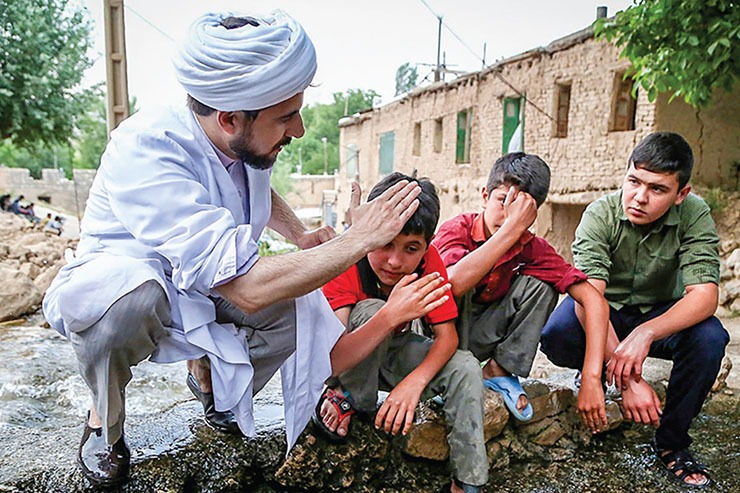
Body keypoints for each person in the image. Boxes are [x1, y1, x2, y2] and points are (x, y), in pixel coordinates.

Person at [43, 11, 421, 487]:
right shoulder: (146, 148)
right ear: (229, 118)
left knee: (293, 319)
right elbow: (246, 289)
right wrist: (357, 240)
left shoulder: (246, 141)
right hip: (131, 279)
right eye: (287, 117)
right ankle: (104, 419)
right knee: (127, 308)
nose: (299, 130)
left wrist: (299, 235)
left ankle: (210, 383)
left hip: (207, 275)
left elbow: (255, 186)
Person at [541, 132, 729, 488]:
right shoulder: (600, 213)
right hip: (604, 312)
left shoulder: (694, 213)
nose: (639, 198)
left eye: (657, 189)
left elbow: (704, 295)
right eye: (633, 181)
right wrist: (628, 380)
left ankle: (672, 443)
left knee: (710, 338)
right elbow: (589, 299)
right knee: (557, 333)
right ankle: (595, 367)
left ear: (680, 194)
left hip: (661, 315)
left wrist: (646, 333)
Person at [320, 172, 487, 493]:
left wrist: (415, 382)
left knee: (465, 365)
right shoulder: (344, 259)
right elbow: (330, 360)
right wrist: (391, 313)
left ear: (426, 248)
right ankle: (351, 399)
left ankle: (468, 481)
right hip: (347, 363)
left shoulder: (429, 264)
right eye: (385, 243)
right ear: (369, 232)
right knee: (369, 310)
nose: (395, 261)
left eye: (411, 248)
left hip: (392, 352)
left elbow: (447, 337)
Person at [432, 153, 609, 433]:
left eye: (521, 209)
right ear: (484, 196)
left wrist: (591, 376)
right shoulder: (457, 230)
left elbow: (593, 300)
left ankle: (497, 372)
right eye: (502, 200)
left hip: (482, 335)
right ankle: (444, 374)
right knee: (463, 277)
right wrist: (512, 230)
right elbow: (452, 284)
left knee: (542, 284)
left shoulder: (531, 248)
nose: (508, 214)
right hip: (439, 338)